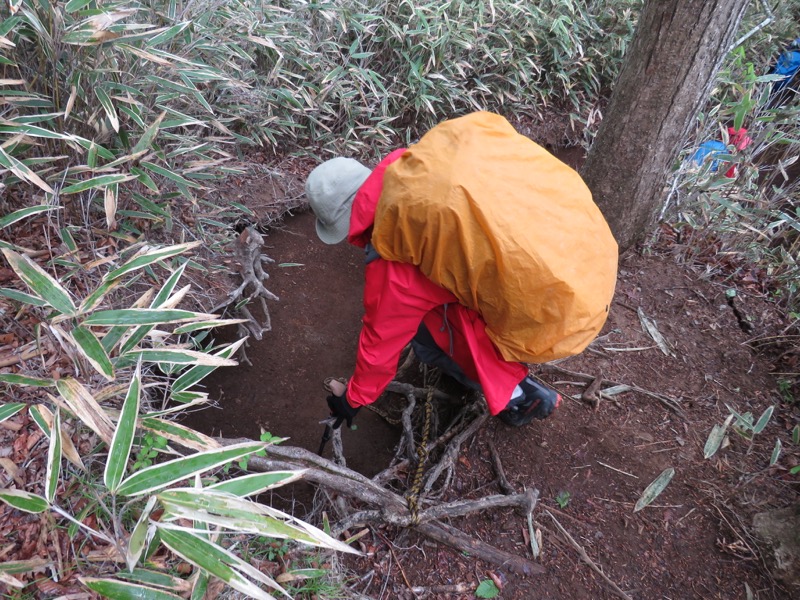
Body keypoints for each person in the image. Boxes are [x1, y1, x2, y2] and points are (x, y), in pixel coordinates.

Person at [305, 149, 562, 431]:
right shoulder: (420, 165)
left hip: (514, 309)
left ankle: (518, 398)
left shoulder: (393, 258)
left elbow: (381, 342)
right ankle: (511, 383)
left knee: (430, 340)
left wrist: (352, 400)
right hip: (536, 266)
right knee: (446, 311)